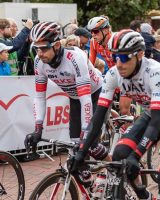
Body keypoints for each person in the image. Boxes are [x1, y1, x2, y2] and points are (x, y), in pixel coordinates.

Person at [70, 29, 160, 200]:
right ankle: (144, 195)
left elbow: (157, 122)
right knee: (119, 155)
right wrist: (82, 152)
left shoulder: (156, 72)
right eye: (115, 57)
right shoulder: (113, 74)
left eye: (125, 57)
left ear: (140, 54)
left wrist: (136, 155)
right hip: (151, 115)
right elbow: (97, 118)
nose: (119, 64)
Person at [24, 22, 108, 177]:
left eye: (43, 48)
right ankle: (87, 183)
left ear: (56, 45)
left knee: (89, 145)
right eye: (36, 48)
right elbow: (39, 97)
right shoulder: (39, 62)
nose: (39, 53)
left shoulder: (75, 57)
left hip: (96, 94)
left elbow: (86, 99)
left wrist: (85, 133)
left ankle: (113, 168)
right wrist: (38, 128)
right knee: (74, 146)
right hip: (75, 98)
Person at [87, 15, 132, 115]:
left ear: (106, 30)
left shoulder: (116, 41)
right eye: (91, 32)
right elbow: (90, 65)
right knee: (102, 107)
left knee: (124, 110)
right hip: (113, 76)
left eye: (96, 31)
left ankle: (130, 128)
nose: (93, 35)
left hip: (125, 75)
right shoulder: (94, 43)